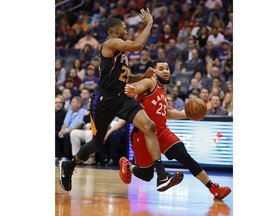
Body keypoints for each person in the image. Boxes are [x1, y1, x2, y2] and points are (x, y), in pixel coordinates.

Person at [59, 9, 183, 192]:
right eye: (124, 28)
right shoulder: (111, 43)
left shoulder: (120, 51)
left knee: (149, 126)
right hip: (103, 100)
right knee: (97, 143)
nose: (126, 31)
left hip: (121, 98)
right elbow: (137, 46)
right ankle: (70, 165)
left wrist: (142, 75)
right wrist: (149, 23)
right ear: (115, 30)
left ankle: (161, 175)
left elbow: (125, 78)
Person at [111, 59, 231, 200]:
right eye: (161, 68)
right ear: (154, 72)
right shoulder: (150, 81)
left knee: (185, 157)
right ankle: (127, 164)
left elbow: (165, 113)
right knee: (146, 175)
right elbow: (137, 86)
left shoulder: (163, 89)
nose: (166, 71)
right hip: (143, 134)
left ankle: (214, 189)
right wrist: (133, 89)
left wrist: (187, 115)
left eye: (167, 68)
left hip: (162, 132)